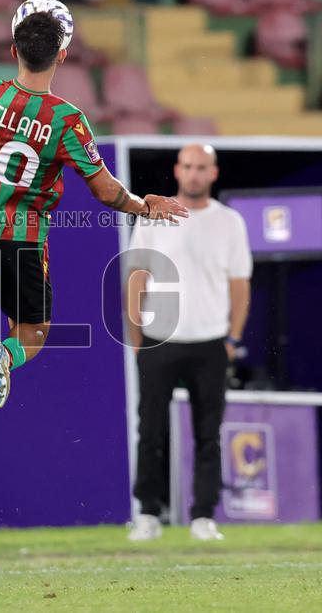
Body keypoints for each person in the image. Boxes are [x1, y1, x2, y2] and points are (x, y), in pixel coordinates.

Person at [0, 7, 188, 409]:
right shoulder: (67, 121)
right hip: (23, 239)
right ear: (62, 56)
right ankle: (4, 355)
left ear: (12, 49)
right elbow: (106, 192)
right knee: (33, 331)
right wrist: (145, 206)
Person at [123, 144, 252, 542]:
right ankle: (147, 513)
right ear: (178, 170)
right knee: (151, 431)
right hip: (160, 340)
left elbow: (239, 284)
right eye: (188, 166)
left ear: (213, 173)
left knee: (208, 433)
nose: (194, 173)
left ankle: (203, 516)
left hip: (211, 342)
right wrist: (136, 334)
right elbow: (136, 276)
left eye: (202, 167)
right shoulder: (154, 216)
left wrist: (232, 338)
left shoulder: (230, 222)